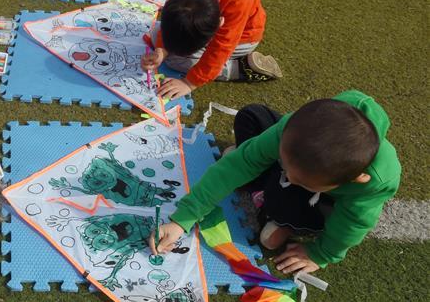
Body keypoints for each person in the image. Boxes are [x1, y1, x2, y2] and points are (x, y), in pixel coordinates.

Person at [150, 91, 401, 274]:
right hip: (302, 158)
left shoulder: (374, 183)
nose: (290, 177)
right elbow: (239, 163)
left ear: (355, 179)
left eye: (300, 179)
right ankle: (273, 174)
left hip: (321, 198)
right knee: (251, 117)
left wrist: (322, 254)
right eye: (285, 163)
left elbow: (353, 224)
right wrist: (183, 219)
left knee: (284, 198)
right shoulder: (297, 128)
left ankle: (284, 214)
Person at [141, 0, 280, 100]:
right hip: (212, 23)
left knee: (176, 61)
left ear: (220, 23)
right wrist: (161, 50)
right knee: (155, 32)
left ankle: (239, 68)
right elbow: (171, 22)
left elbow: (222, 46)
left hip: (244, 36)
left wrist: (189, 83)